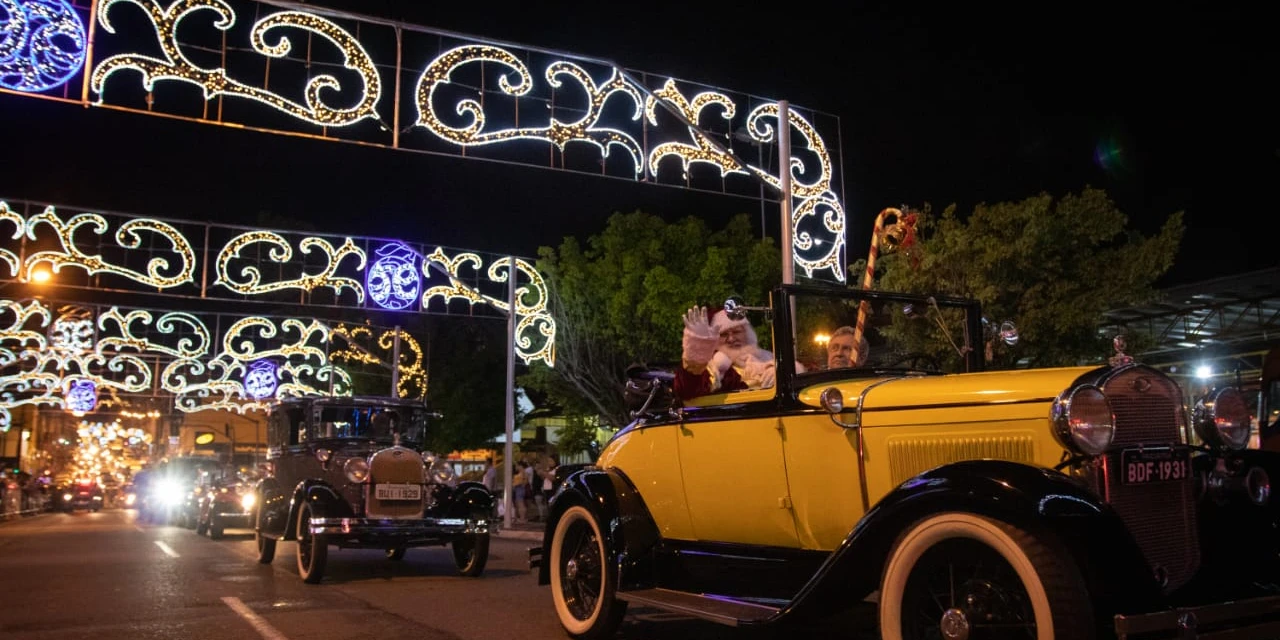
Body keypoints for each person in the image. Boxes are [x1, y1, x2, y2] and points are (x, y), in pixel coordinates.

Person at [674, 305, 775, 400]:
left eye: (736, 332)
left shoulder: (769, 357)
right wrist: (696, 356)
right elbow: (686, 391)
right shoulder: (717, 369)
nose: (731, 339)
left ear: (747, 333)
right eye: (724, 334)